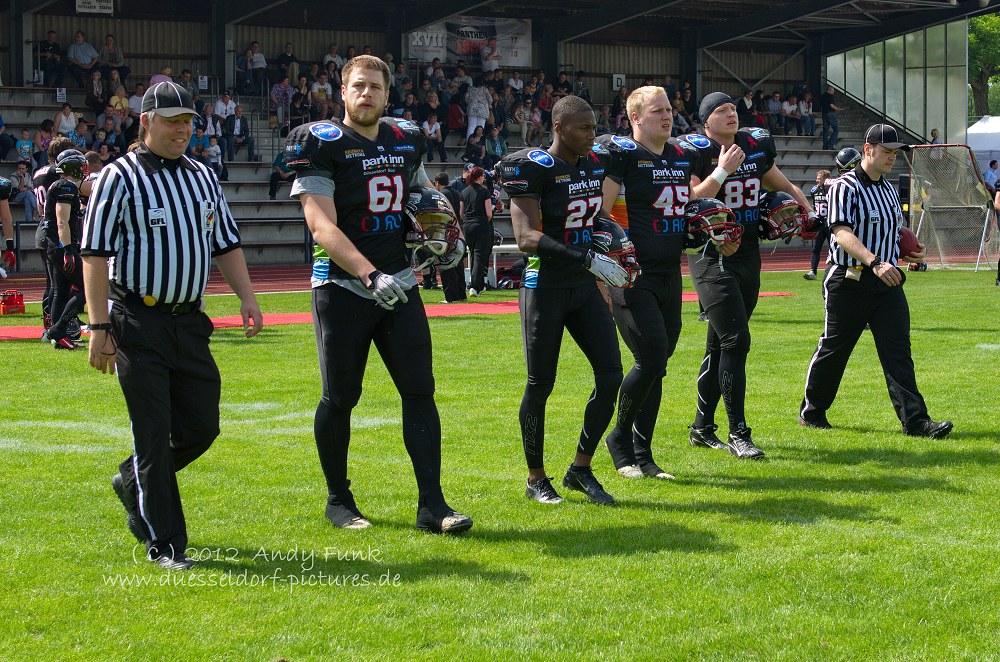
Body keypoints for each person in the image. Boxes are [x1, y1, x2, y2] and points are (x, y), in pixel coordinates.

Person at [284, 54, 473, 534]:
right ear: (342, 92)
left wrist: (443, 234)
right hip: (344, 285)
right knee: (341, 395)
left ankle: (432, 504)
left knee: (420, 390)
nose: (366, 94)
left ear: (388, 94)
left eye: (375, 87)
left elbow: (423, 193)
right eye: (358, 86)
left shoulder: (405, 137)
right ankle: (338, 499)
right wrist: (369, 275)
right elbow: (320, 224)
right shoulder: (321, 143)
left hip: (400, 282)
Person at [81, 81, 263, 570]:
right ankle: (166, 543)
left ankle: (133, 479)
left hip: (189, 322)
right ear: (146, 122)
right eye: (171, 120)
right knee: (152, 431)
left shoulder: (203, 176)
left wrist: (247, 296)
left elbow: (225, 241)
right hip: (137, 319)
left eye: (188, 121)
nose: (182, 129)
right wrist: (98, 326)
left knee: (203, 426)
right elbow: (94, 254)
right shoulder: (118, 176)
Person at [500, 95, 629, 505]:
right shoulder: (532, 166)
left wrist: (616, 246)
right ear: (559, 128)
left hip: (583, 284)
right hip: (545, 286)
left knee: (611, 375)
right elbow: (525, 238)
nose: (592, 135)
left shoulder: (594, 164)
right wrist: (585, 256)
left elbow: (595, 218)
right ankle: (536, 477)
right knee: (541, 384)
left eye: (594, 126)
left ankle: (581, 469)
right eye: (584, 128)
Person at [684, 92, 816, 459]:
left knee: (720, 344)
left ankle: (701, 428)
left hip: (748, 253)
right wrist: (722, 169)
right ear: (705, 121)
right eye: (720, 111)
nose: (730, 114)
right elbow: (692, 198)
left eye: (732, 109)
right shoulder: (697, 150)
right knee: (737, 342)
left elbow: (783, 185)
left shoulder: (754, 144)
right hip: (712, 254)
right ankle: (738, 431)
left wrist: (809, 212)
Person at [800, 124, 952, 439]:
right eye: (887, 152)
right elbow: (841, 232)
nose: (892, 158)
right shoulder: (844, 186)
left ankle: (916, 421)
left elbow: (893, 232)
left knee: (898, 351)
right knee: (834, 349)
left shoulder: (887, 188)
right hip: (850, 279)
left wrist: (907, 251)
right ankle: (812, 412)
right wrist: (875, 261)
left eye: (895, 153)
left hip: (887, 281)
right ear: (868, 149)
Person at [596, 86, 704, 480]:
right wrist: (604, 272)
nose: (667, 115)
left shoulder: (680, 155)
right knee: (651, 357)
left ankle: (643, 452)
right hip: (632, 273)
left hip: (669, 272)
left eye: (669, 109)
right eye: (657, 110)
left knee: (659, 363)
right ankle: (620, 440)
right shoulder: (623, 156)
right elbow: (602, 215)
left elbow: (687, 205)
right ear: (636, 118)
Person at [40, 149, 88, 349]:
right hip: (61, 245)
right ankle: (58, 330)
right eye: (80, 165)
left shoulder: (61, 185)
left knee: (60, 290)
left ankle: (58, 337)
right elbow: (62, 221)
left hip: (54, 244)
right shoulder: (65, 186)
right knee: (87, 287)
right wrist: (68, 250)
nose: (84, 168)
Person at [433, 171, 468, 303]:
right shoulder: (456, 193)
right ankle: (460, 293)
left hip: (447, 231)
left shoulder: (441, 195)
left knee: (446, 263)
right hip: (458, 229)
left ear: (437, 183)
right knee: (458, 263)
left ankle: (451, 296)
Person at [459, 166, 493, 296]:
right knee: (479, 255)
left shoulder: (464, 192)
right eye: (483, 176)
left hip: (467, 226)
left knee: (473, 254)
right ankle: (474, 286)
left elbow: (461, 213)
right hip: (481, 225)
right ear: (479, 177)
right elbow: (489, 213)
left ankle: (477, 284)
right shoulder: (484, 192)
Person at [804, 169, 832, 280]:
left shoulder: (832, 190)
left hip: (830, 223)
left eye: (819, 178)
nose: (817, 180)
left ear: (826, 179)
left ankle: (832, 270)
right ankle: (813, 272)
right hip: (820, 223)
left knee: (833, 248)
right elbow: (815, 205)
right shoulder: (814, 190)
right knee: (816, 249)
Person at [820, 85, 842, 150]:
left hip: (824, 114)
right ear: (830, 90)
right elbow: (831, 105)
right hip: (830, 113)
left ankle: (825, 146)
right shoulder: (830, 96)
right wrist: (838, 109)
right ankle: (830, 145)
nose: (833, 92)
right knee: (836, 129)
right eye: (833, 91)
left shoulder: (822, 96)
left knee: (825, 130)